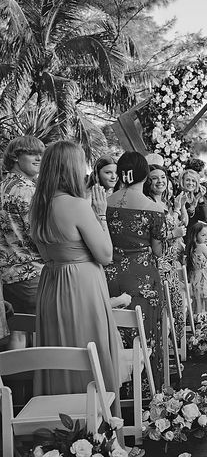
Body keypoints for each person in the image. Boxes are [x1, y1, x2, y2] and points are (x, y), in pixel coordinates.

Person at [30, 141, 122, 415]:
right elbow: (105, 254)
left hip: (51, 284)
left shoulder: (39, 206)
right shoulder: (78, 206)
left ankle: (61, 430)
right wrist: (102, 215)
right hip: (81, 286)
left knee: (59, 354)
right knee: (90, 352)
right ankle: (99, 428)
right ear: (69, 168)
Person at [104, 151, 166, 386]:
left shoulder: (104, 203)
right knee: (144, 333)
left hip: (109, 276)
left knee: (115, 331)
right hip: (142, 278)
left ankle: (115, 387)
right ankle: (147, 389)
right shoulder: (153, 209)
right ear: (145, 176)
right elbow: (159, 250)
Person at [0, 135, 45, 349]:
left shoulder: (3, 186)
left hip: (8, 275)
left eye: (40, 154)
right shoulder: (28, 190)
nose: (38, 158)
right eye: (31, 153)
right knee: (39, 336)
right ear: (16, 157)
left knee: (18, 333)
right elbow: (38, 234)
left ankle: (14, 383)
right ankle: (39, 383)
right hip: (32, 272)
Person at [144, 164, 186, 337]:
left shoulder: (163, 203)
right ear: (147, 182)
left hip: (171, 261)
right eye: (154, 178)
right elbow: (151, 236)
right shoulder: (148, 204)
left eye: (162, 177)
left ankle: (176, 344)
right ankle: (167, 348)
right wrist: (173, 234)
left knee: (177, 306)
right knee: (166, 308)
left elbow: (174, 223)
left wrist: (177, 208)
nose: (160, 181)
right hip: (159, 263)